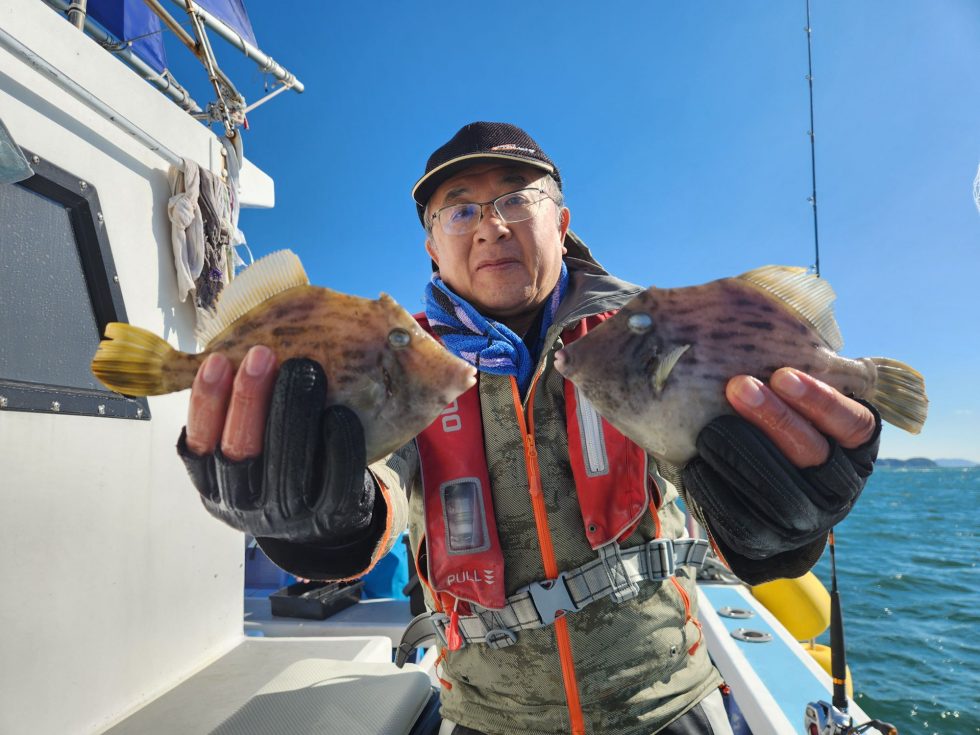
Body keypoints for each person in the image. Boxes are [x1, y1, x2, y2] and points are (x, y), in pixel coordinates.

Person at [177, 122, 880, 735]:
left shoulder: (641, 337)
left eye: (518, 197)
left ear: (562, 220)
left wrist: (777, 524)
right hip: (487, 717)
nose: (492, 224)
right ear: (432, 246)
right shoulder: (401, 358)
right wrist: (316, 520)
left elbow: (718, 472)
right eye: (460, 210)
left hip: (666, 703)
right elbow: (376, 488)